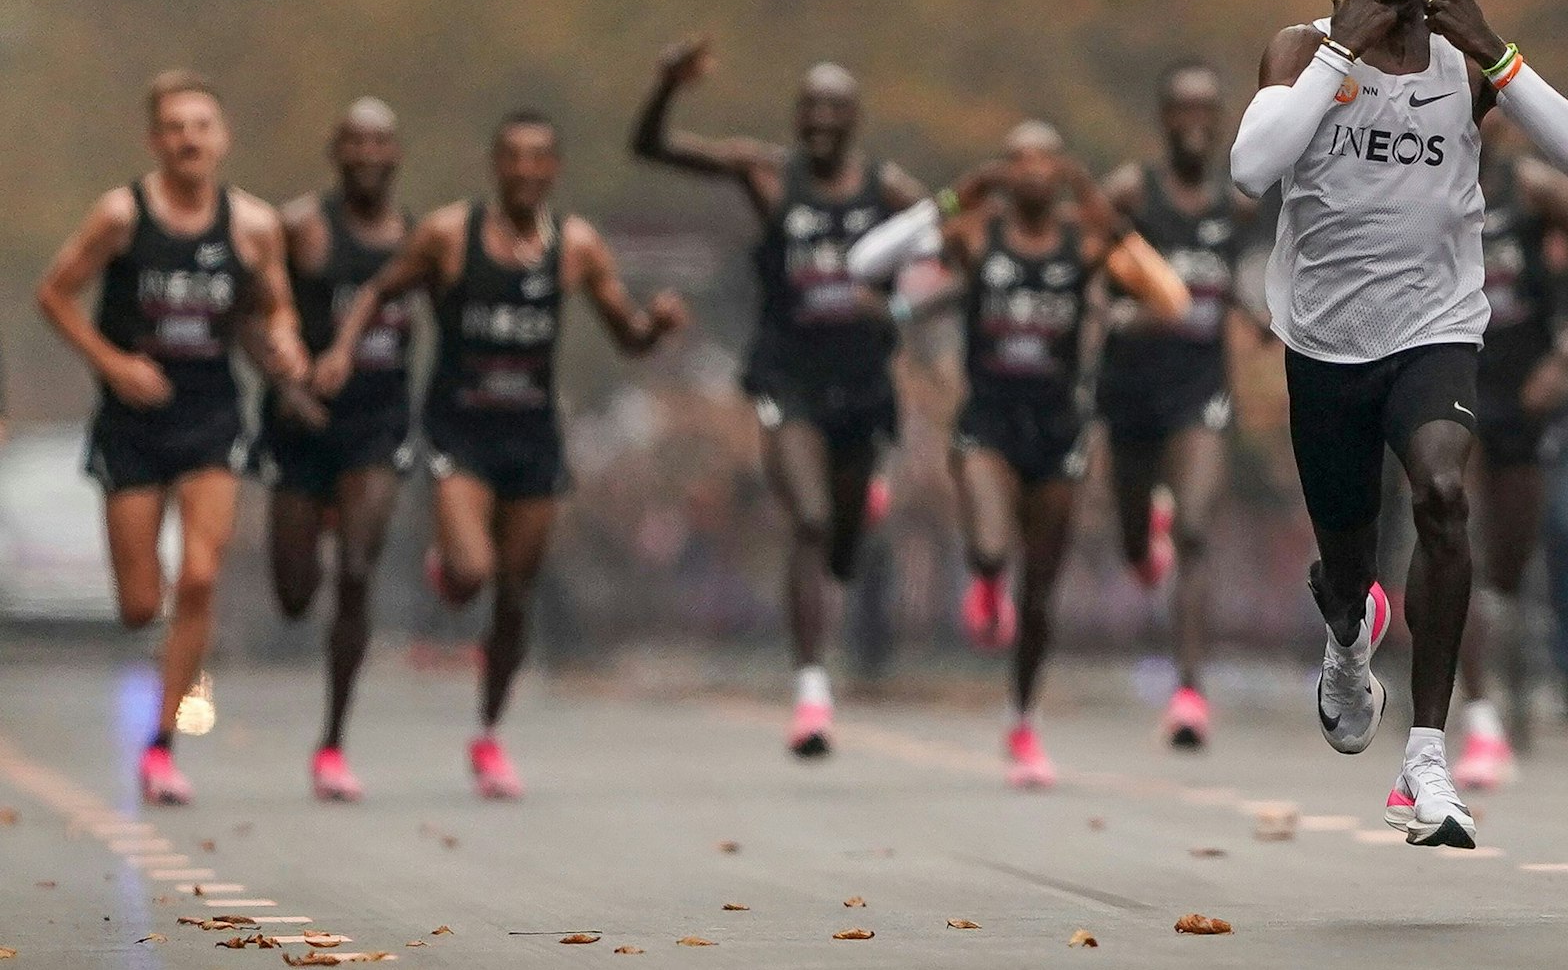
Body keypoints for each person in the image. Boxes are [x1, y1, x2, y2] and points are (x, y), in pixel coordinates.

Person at [1229, 0, 1568, 848]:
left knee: (1442, 497)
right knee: (1348, 565)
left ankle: (1425, 759)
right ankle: (1348, 639)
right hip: (1322, 340)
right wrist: (1339, 51)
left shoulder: (1465, 61)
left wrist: (1496, 53)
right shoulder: (1300, 49)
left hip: (1435, 326)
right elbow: (1249, 167)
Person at [315, 110, 686, 798]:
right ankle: (449, 565)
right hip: (461, 431)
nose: (524, 170)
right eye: (512, 157)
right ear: (495, 164)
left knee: (516, 595)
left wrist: (654, 327)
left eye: (538, 158)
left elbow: (626, 333)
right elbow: (378, 291)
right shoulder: (449, 236)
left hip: (532, 438)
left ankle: (488, 733)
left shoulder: (575, 246)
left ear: (555, 169)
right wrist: (341, 349)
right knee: (473, 569)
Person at [850, 121, 1188, 787]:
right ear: (1002, 171)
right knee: (991, 546)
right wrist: (954, 196)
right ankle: (983, 577)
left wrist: (1102, 209)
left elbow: (1170, 297)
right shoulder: (977, 233)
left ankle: (1022, 720)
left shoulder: (1087, 238)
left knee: (1039, 598)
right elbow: (867, 264)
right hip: (988, 425)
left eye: (1045, 159)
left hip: (1060, 431)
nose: (1031, 168)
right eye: (1017, 159)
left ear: (1061, 170)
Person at [631, 39, 928, 757]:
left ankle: (863, 503)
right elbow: (653, 147)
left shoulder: (888, 189)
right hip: (786, 377)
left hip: (861, 385)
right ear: (796, 118)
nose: (821, 119)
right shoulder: (765, 172)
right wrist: (666, 87)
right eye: (810, 107)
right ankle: (811, 691)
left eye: (835, 108)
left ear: (856, 119)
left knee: (846, 550)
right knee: (810, 522)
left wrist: (900, 309)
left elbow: (949, 239)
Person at [36, 70, 309, 805]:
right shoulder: (121, 216)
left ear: (221, 139)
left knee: (199, 575)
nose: (189, 139)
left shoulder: (251, 225)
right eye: (175, 127)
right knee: (137, 603)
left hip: (210, 415)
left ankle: (160, 746)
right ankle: (156, 658)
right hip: (132, 423)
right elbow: (53, 293)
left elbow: (277, 306)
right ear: (156, 140)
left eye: (202, 126)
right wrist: (115, 363)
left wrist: (286, 344)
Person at [1452, 121, 1568, 789]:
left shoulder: (1535, 190)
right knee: (1451, 529)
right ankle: (1480, 715)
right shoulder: (1414, 187)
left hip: (1524, 390)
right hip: (1449, 381)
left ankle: (1507, 635)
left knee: (1510, 557)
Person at [1097, 61, 1261, 749]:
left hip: (1200, 388)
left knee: (1195, 529)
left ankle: (1189, 691)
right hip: (1131, 388)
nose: (1196, 124)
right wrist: (1122, 316)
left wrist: (1265, 315)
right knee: (1138, 538)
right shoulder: (1133, 191)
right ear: (1164, 120)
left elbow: (1227, 282)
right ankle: (1144, 540)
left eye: (1207, 111)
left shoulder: (1237, 205)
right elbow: (1081, 267)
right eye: (1183, 111)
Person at [258, 98, 416, 802]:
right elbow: (249, 309)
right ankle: (309, 538)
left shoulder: (418, 240)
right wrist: (283, 381)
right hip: (301, 420)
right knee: (296, 596)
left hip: (376, 425)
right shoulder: (299, 226)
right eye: (353, 141)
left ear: (396, 154)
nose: (366, 154)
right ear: (335, 151)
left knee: (357, 568)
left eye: (378, 141)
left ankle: (332, 741)